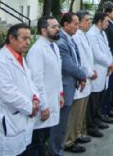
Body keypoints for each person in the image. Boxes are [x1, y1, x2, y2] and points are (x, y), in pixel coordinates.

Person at [0, 23, 40, 156]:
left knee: (22, 149)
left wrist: (35, 98)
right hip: (8, 118)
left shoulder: (20, 58)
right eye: (24, 38)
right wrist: (30, 107)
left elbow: (29, 82)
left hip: (21, 118)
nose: (28, 42)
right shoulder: (0, 62)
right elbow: (7, 92)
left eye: (29, 38)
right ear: (12, 38)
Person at [51, 13, 88, 155]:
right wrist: (82, 75)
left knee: (64, 122)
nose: (77, 26)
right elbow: (68, 65)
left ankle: (59, 148)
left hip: (71, 84)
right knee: (60, 124)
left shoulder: (69, 39)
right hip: (65, 85)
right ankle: (56, 151)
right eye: (75, 23)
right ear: (66, 25)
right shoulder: (61, 42)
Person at [26, 17, 63, 156]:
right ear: (43, 30)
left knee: (44, 139)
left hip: (53, 100)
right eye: (53, 27)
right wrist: (44, 105)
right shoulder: (37, 50)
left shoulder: (54, 47)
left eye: (57, 26)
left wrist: (60, 93)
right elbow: (37, 81)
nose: (57, 29)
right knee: (37, 142)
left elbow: (57, 74)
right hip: (43, 104)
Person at [72, 12, 102, 140]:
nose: (89, 22)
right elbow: (82, 59)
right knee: (76, 112)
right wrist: (89, 72)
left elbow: (89, 56)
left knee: (81, 111)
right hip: (83, 77)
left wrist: (92, 70)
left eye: (90, 20)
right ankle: (72, 138)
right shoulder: (77, 37)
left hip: (88, 76)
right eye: (86, 20)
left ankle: (79, 133)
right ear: (79, 22)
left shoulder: (83, 35)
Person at [86, 12, 113, 128]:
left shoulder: (102, 33)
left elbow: (107, 50)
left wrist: (112, 62)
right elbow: (97, 54)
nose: (108, 24)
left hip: (105, 70)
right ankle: (92, 124)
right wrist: (109, 64)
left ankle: (98, 119)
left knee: (100, 97)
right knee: (94, 99)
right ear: (99, 22)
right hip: (97, 69)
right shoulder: (92, 34)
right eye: (106, 21)